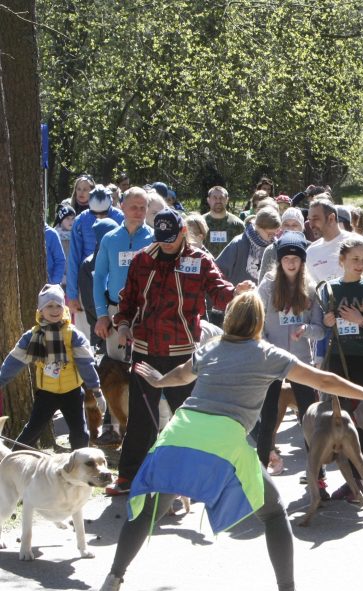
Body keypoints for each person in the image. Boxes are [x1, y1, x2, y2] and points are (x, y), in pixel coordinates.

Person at [96, 291, 363, 591]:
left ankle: (111, 582)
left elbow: (182, 374)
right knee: (273, 514)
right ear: (260, 322)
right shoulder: (268, 353)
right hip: (223, 437)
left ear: (228, 320)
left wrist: (159, 381)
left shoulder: (211, 348)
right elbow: (323, 380)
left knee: (151, 510)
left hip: (181, 431)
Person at [104, 209, 254, 495]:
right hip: (145, 350)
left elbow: (220, 292)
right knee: (140, 418)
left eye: (171, 239)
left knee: (190, 418)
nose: (166, 244)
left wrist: (237, 292)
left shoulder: (200, 260)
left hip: (183, 353)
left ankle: (206, 477)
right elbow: (128, 301)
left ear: (183, 232)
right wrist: (123, 326)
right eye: (162, 239)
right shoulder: (143, 259)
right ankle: (128, 477)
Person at [320, 235, 363, 494]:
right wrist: (327, 322)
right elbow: (321, 325)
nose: (360, 264)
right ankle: (350, 477)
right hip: (339, 358)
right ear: (342, 261)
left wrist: (362, 320)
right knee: (342, 418)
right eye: (354, 259)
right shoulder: (329, 289)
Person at [0, 284, 105, 450]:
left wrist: (96, 390)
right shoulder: (33, 336)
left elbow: (86, 364)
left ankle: (80, 469)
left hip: (73, 392)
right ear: (41, 310)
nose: (54, 310)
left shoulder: (73, 334)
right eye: (49, 305)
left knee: (80, 434)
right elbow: (14, 362)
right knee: (32, 430)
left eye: (58, 305)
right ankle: (12, 464)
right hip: (46, 393)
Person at [256, 232, 325, 474]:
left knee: (309, 417)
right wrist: (265, 346)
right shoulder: (267, 285)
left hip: (299, 360)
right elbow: (257, 323)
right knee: (267, 417)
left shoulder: (311, 288)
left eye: (296, 259)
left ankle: (317, 475)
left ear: (303, 261)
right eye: (286, 258)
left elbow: (320, 331)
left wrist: (306, 329)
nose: (291, 263)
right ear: (279, 260)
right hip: (271, 359)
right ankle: (260, 474)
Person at [94, 187, 155, 363]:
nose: (138, 212)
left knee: (145, 366)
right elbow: (99, 277)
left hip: (146, 312)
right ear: (122, 206)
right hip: (116, 310)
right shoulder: (109, 239)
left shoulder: (154, 239)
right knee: (117, 369)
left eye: (143, 207)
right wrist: (102, 315)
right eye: (133, 207)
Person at [66, 182, 124, 320]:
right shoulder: (81, 221)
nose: (100, 217)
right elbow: (74, 257)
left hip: (116, 278)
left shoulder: (121, 218)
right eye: (95, 214)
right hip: (88, 277)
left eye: (104, 213)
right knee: (90, 326)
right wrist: (72, 295)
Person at [305, 199, 363, 285]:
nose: (311, 225)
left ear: (331, 218)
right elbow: (313, 291)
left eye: (315, 219)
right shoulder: (311, 252)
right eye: (309, 220)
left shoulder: (359, 243)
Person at [216, 206, 281, 285]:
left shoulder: (274, 246)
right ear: (258, 227)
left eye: (275, 233)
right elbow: (218, 271)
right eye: (270, 234)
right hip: (240, 294)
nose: (273, 237)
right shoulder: (239, 244)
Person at [202, 186, 245, 258]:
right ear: (208, 200)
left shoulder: (238, 225)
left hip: (230, 268)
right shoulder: (200, 223)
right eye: (214, 198)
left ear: (227, 200)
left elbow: (243, 250)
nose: (218, 201)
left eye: (221, 198)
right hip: (205, 267)